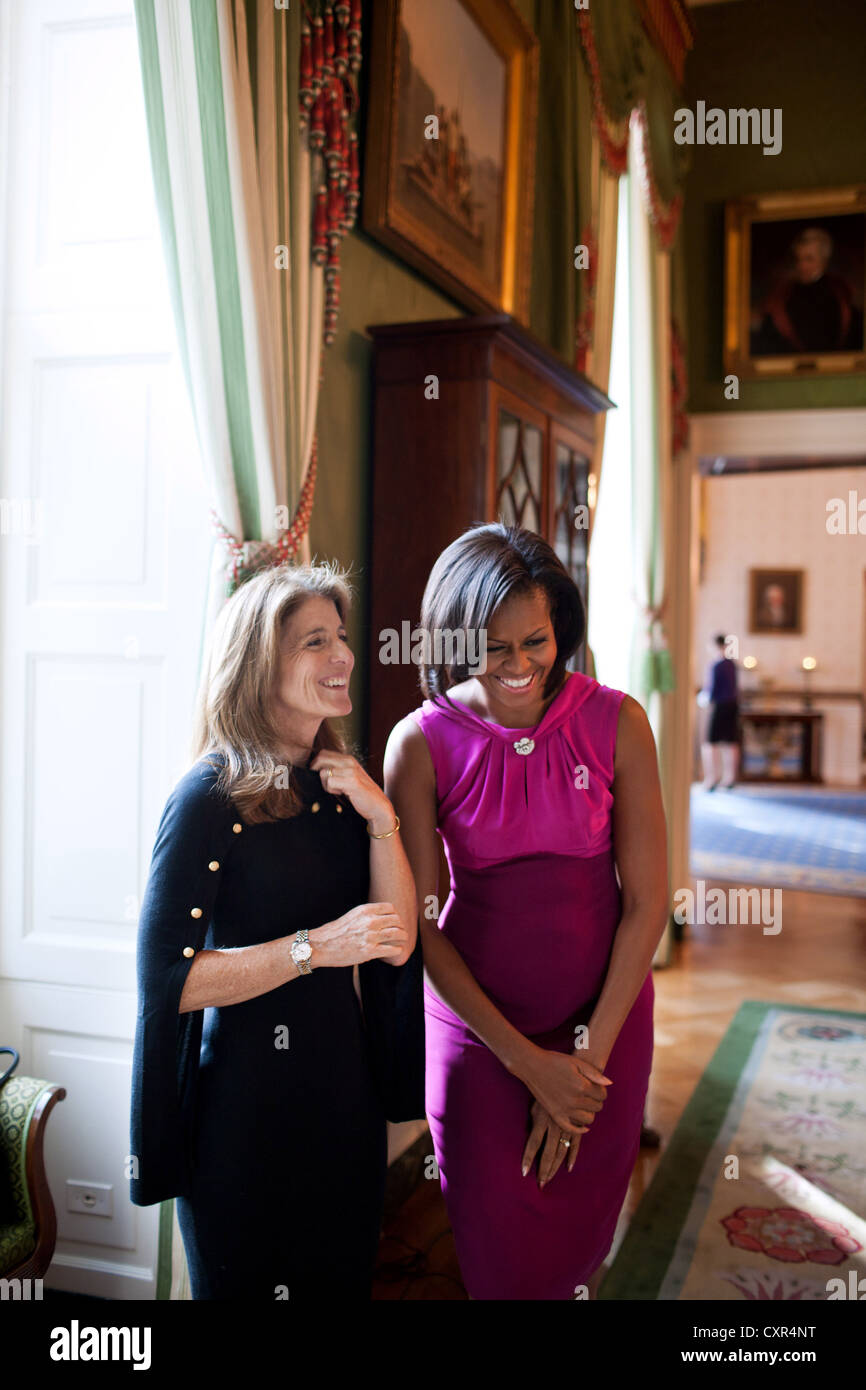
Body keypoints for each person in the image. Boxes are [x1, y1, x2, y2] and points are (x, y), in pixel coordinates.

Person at [384, 523, 668, 1300]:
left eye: (534, 641)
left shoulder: (619, 723)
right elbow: (421, 925)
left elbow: (646, 906)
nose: (517, 667)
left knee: (576, 1253)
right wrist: (527, 1064)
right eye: (493, 647)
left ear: (561, 628)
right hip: (480, 1044)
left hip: (604, 1034)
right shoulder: (420, 743)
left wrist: (580, 1068)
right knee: (500, 1261)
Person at [129, 562, 424, 1300]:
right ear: (260, 663)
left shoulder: (339, 786)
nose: (344, 658)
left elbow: (397, 940)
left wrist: (379, 814)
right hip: (240, 1121)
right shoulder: (207, 795)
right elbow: (171, 981)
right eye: (314, 642)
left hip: (343, 1109)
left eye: (343, 638)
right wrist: (316, 949)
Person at [751, 226, 864, 356]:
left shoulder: (841, 293)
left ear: (824, 261)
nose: (802, 266)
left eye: (809, 259)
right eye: (798, 259)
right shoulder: (783, 295)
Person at [700, 633, 740, 791]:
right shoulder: (732, 664)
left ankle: (711, 778)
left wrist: (703, 699)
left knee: (711, 743)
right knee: (730, 742)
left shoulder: (716, 665)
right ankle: (729, 777)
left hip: (719, 706)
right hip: (732, 705)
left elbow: (711, 689)